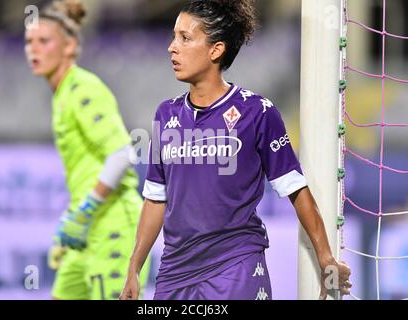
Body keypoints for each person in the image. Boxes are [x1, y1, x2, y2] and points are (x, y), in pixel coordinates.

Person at [120, 0, 351, 300]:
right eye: (174, 36)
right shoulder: (165, 115)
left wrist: (325, 258)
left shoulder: (257, 112)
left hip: (236, 267)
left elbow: (297, 189)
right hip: (174, 273)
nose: (171, 47)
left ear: (216, 50)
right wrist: (134, 268)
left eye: (184, 38)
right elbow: (155, 198)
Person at [24, 0, 149, 300]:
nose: (33, 49)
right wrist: (70, 223)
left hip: (113, 224)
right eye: (29, 41)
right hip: (86, 230)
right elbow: (88, 169)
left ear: (69, 47)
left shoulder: (83, 88)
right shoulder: (62, 94)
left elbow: (123, 154)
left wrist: (87, 209)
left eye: (44, 41)